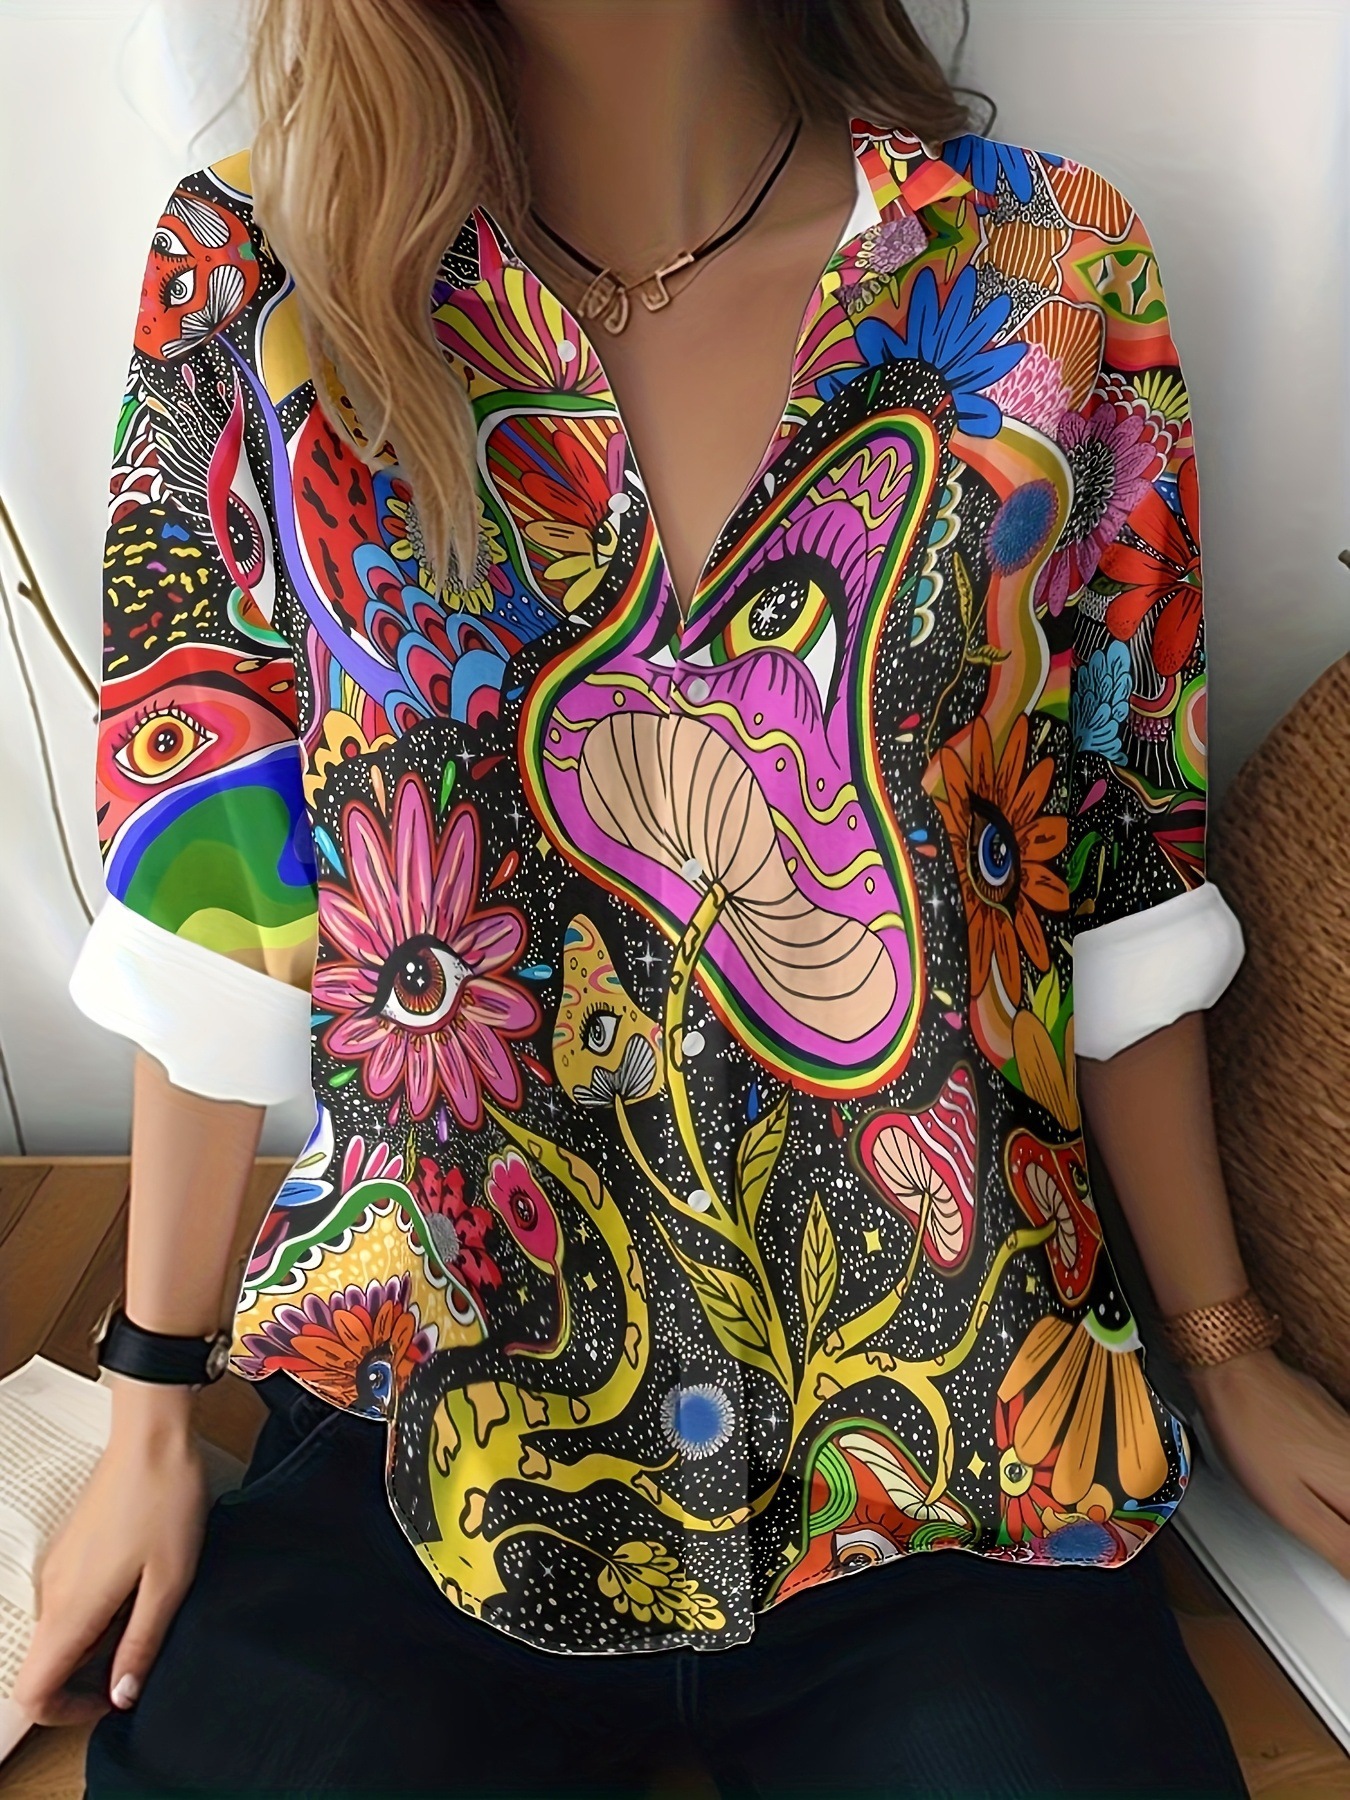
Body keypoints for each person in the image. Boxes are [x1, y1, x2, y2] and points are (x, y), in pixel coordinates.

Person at [15, 0, 1350, 1792]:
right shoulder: (259, 274)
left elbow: (1110, 858)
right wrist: (150, 1414)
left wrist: (1226, 1349)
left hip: (954, 1440)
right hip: (433, 1437)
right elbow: (212, 881)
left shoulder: (1045, 272)